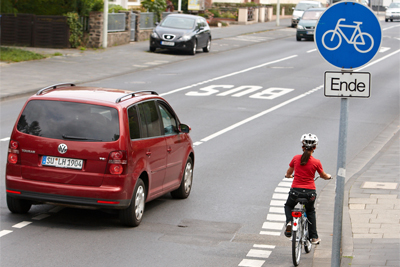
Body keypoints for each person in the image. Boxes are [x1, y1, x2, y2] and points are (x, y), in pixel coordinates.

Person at [284, 133, 331, 245]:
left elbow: (289, 172)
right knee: (310, 211)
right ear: (314, 148)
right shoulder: (316, 162)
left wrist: (288, 175)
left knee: (288, 206)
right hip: (310, 194)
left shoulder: (296, 158)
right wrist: (328, 176)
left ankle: (290, 222)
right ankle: (314, 237)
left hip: (295, 192)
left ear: (302, 146)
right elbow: (323, 175)